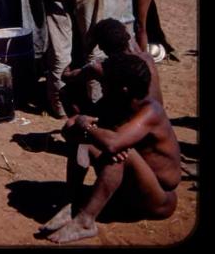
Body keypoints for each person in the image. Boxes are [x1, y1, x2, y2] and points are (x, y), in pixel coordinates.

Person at [38, 53, 181, 244]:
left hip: (158, 201)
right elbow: (70, 129)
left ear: (122, 89)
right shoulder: (115, 103)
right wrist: (81, 125)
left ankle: (86, 221)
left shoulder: (150, 111)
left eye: (105, 82)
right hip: (129, 193)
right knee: (84, 143)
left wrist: (87, 127)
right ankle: (74, 201)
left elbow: (112, 143)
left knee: (121, 152)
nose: (102, 86)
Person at [60, 17, 163, 116]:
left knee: (66, 92)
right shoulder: (146, 58)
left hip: (126, 119)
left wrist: (86, 50)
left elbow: (65, 76)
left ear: (100, 46)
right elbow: (128, 38)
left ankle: (86, 131)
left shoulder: (101, 68)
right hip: (154, 113)